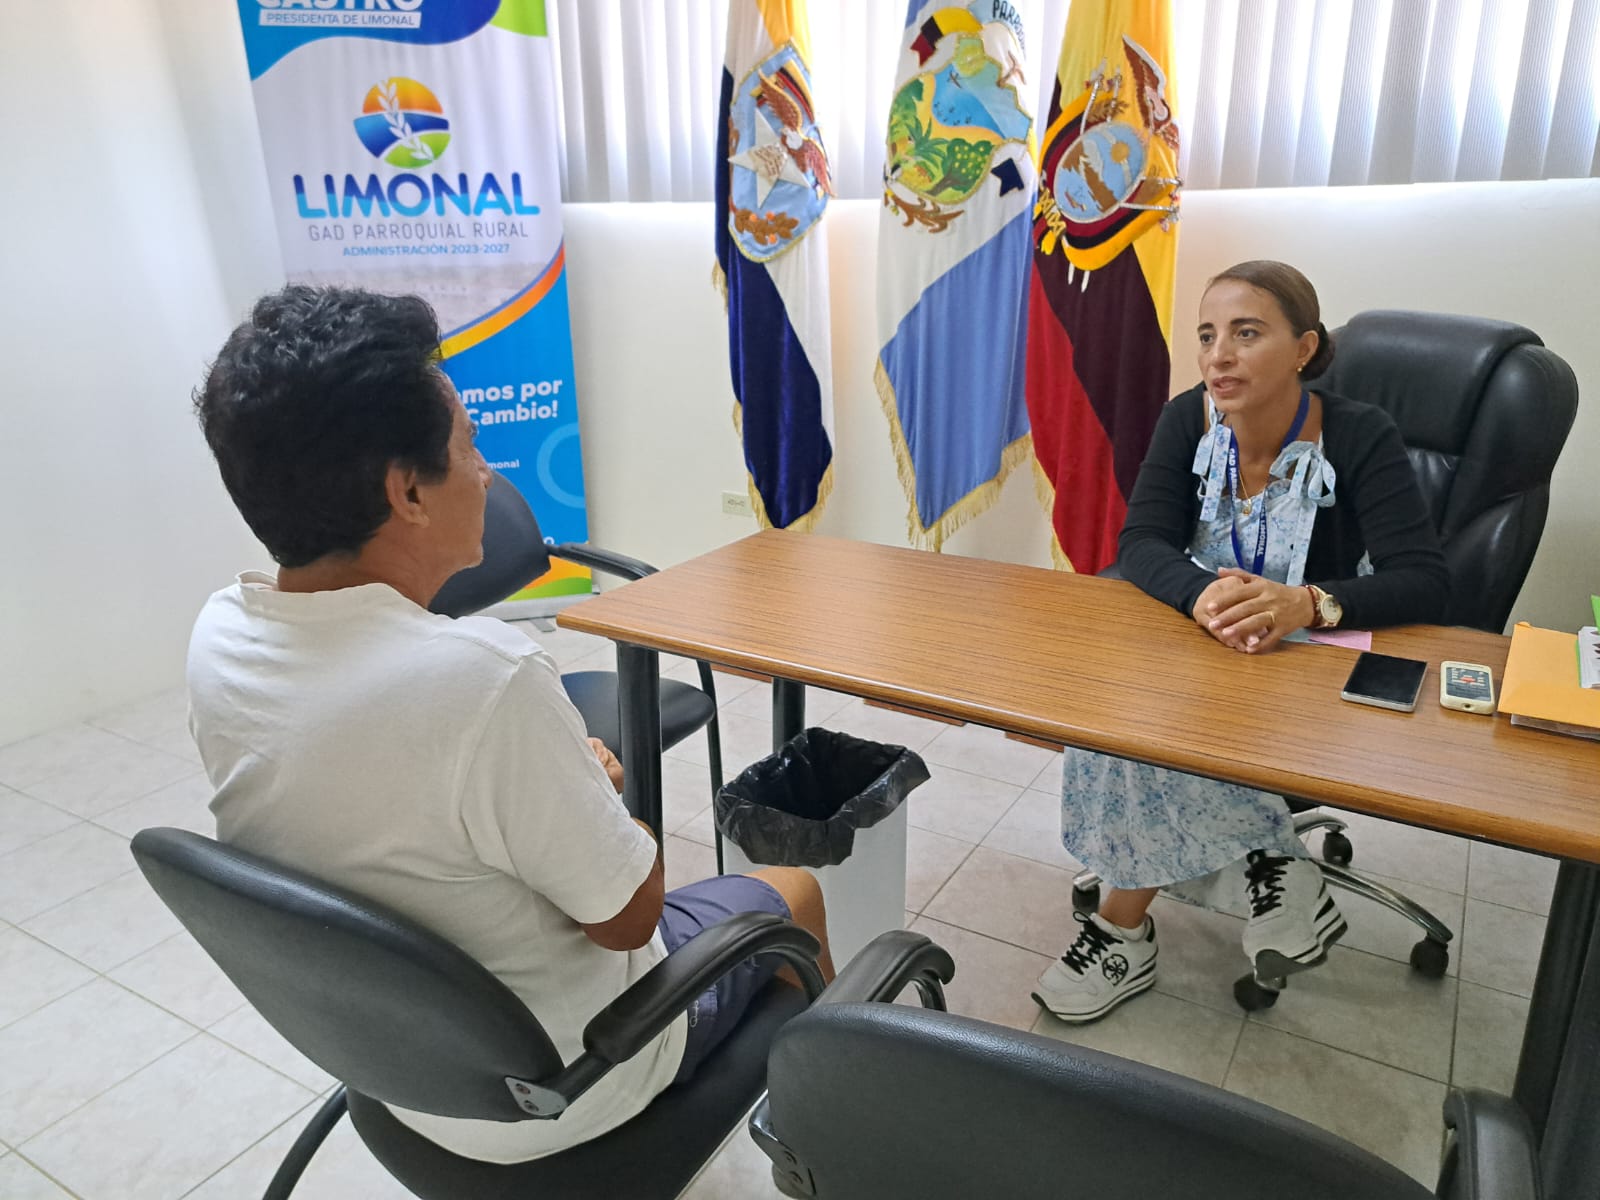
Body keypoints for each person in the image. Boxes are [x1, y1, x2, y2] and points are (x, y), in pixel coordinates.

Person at [187, 284, 835, 1163]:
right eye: (469, 446)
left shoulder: (220, 636)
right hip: (562, 1088)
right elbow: (629, 919)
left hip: (393, 1071)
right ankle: (818, 1151)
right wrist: (608, 803)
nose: (488, 473)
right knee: (793, 893)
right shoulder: (482, 681)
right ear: (407, 492)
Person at [1032, 261, 1449, 1024]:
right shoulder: (1187, 419)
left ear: (1304, 349)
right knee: (1116, 716)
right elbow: (1142, 541)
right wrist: (1200, 596)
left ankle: (1122, 933)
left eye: (1246, 333)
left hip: (1310, 654)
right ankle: (1275, 861)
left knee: (1151, 741)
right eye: (1207, 335)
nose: (1218, 355)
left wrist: (1307, 602)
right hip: (1208, 641)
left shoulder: (1359, 433)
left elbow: (1424, 579)